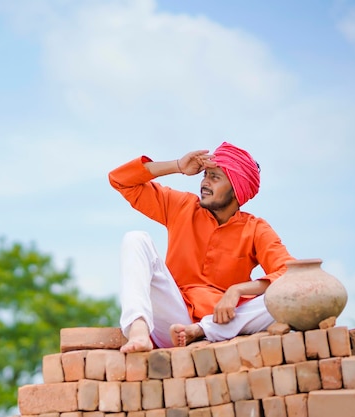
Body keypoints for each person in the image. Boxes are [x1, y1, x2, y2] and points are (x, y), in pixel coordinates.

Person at [108, 142, 295, 353]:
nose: (205, 182)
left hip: (223, 321)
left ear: (237, 190)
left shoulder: (256, 229)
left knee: (290, 298)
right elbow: (120, 180)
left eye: (215, 177)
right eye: (205, 175)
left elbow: (291, 275)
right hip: (173, 318)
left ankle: (200, 331)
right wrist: (178, 166)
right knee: (136, 239)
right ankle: (139, 331)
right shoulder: (182, 207)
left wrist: (238, 290)